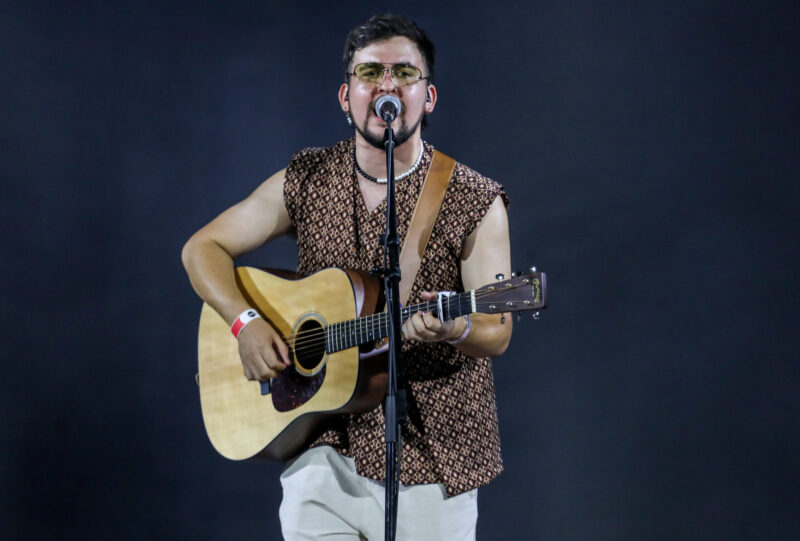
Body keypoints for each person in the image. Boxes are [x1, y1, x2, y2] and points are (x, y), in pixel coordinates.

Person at [182, 14, 513, 541]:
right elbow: (202, 248)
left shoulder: (473, 198)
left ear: (428, 97)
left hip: (431, 459)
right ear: (346, 96)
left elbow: (497, 327)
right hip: (321, 450)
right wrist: (245, 323)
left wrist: (456, 328)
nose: (387, 86)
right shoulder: (307, 178)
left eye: (405, 73)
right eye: (370, 73)